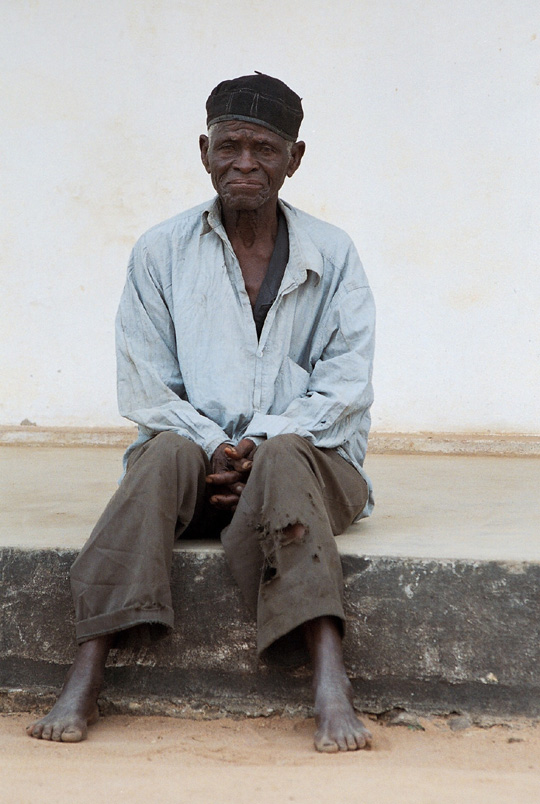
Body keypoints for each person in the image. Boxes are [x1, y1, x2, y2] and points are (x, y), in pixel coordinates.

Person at [27, 73, 375, 753]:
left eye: (265, 149)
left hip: (313, 465)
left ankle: (331, 683)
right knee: (158, 454)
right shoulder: (160, 251)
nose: (245, 164)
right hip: (197, 466)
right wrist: (219, 446)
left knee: (282, 454)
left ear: (294, 158)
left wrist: (261, 444)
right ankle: (86, 672)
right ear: (203, 150)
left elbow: (346, 385)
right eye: (230, 146)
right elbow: (146, 388)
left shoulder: (333, 255)